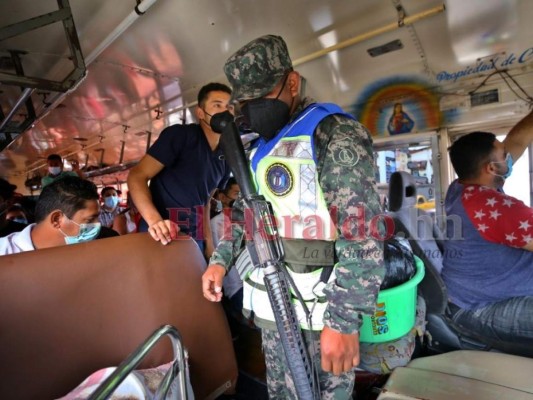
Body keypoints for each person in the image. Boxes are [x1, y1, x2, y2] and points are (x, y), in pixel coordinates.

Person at [202, 35, 384, 399]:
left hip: (322, 314)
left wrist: (344, 321)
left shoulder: (333, 133)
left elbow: (361, 231)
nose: (253, 109)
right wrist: (220, 261)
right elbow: (245, 213)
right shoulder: (258, 149)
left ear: (292, 82)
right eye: (246, 101)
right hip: (275, 307)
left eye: (262, 96)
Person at [441, 108, 533, 356]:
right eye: (504, 155)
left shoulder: (461, 185)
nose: (509, 156)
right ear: (492, 168)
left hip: (475, 292)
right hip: (478, 308)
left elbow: (516, 142)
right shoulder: (496, 208)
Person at [127, 83, 232, 252]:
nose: (225, 112)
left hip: (193, 238)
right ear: (200, 112)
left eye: (230, 107)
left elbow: (205, 202)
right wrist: (155, 222)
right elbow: (137, 176)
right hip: (161, 235)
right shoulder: (181, 136)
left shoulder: (225, 156)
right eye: (217, 105)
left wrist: (208, 243)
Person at [0, 176, 100, 255]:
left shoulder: (90, 252)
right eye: (90, 220)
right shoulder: (4, 253)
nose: (98, 224)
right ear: (57, 219)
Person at [209, 177, 243, 313]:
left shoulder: (250, 218)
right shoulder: (217, 224)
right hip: (237, 287)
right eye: (237, 194)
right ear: (223, 197)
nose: (241, 199)